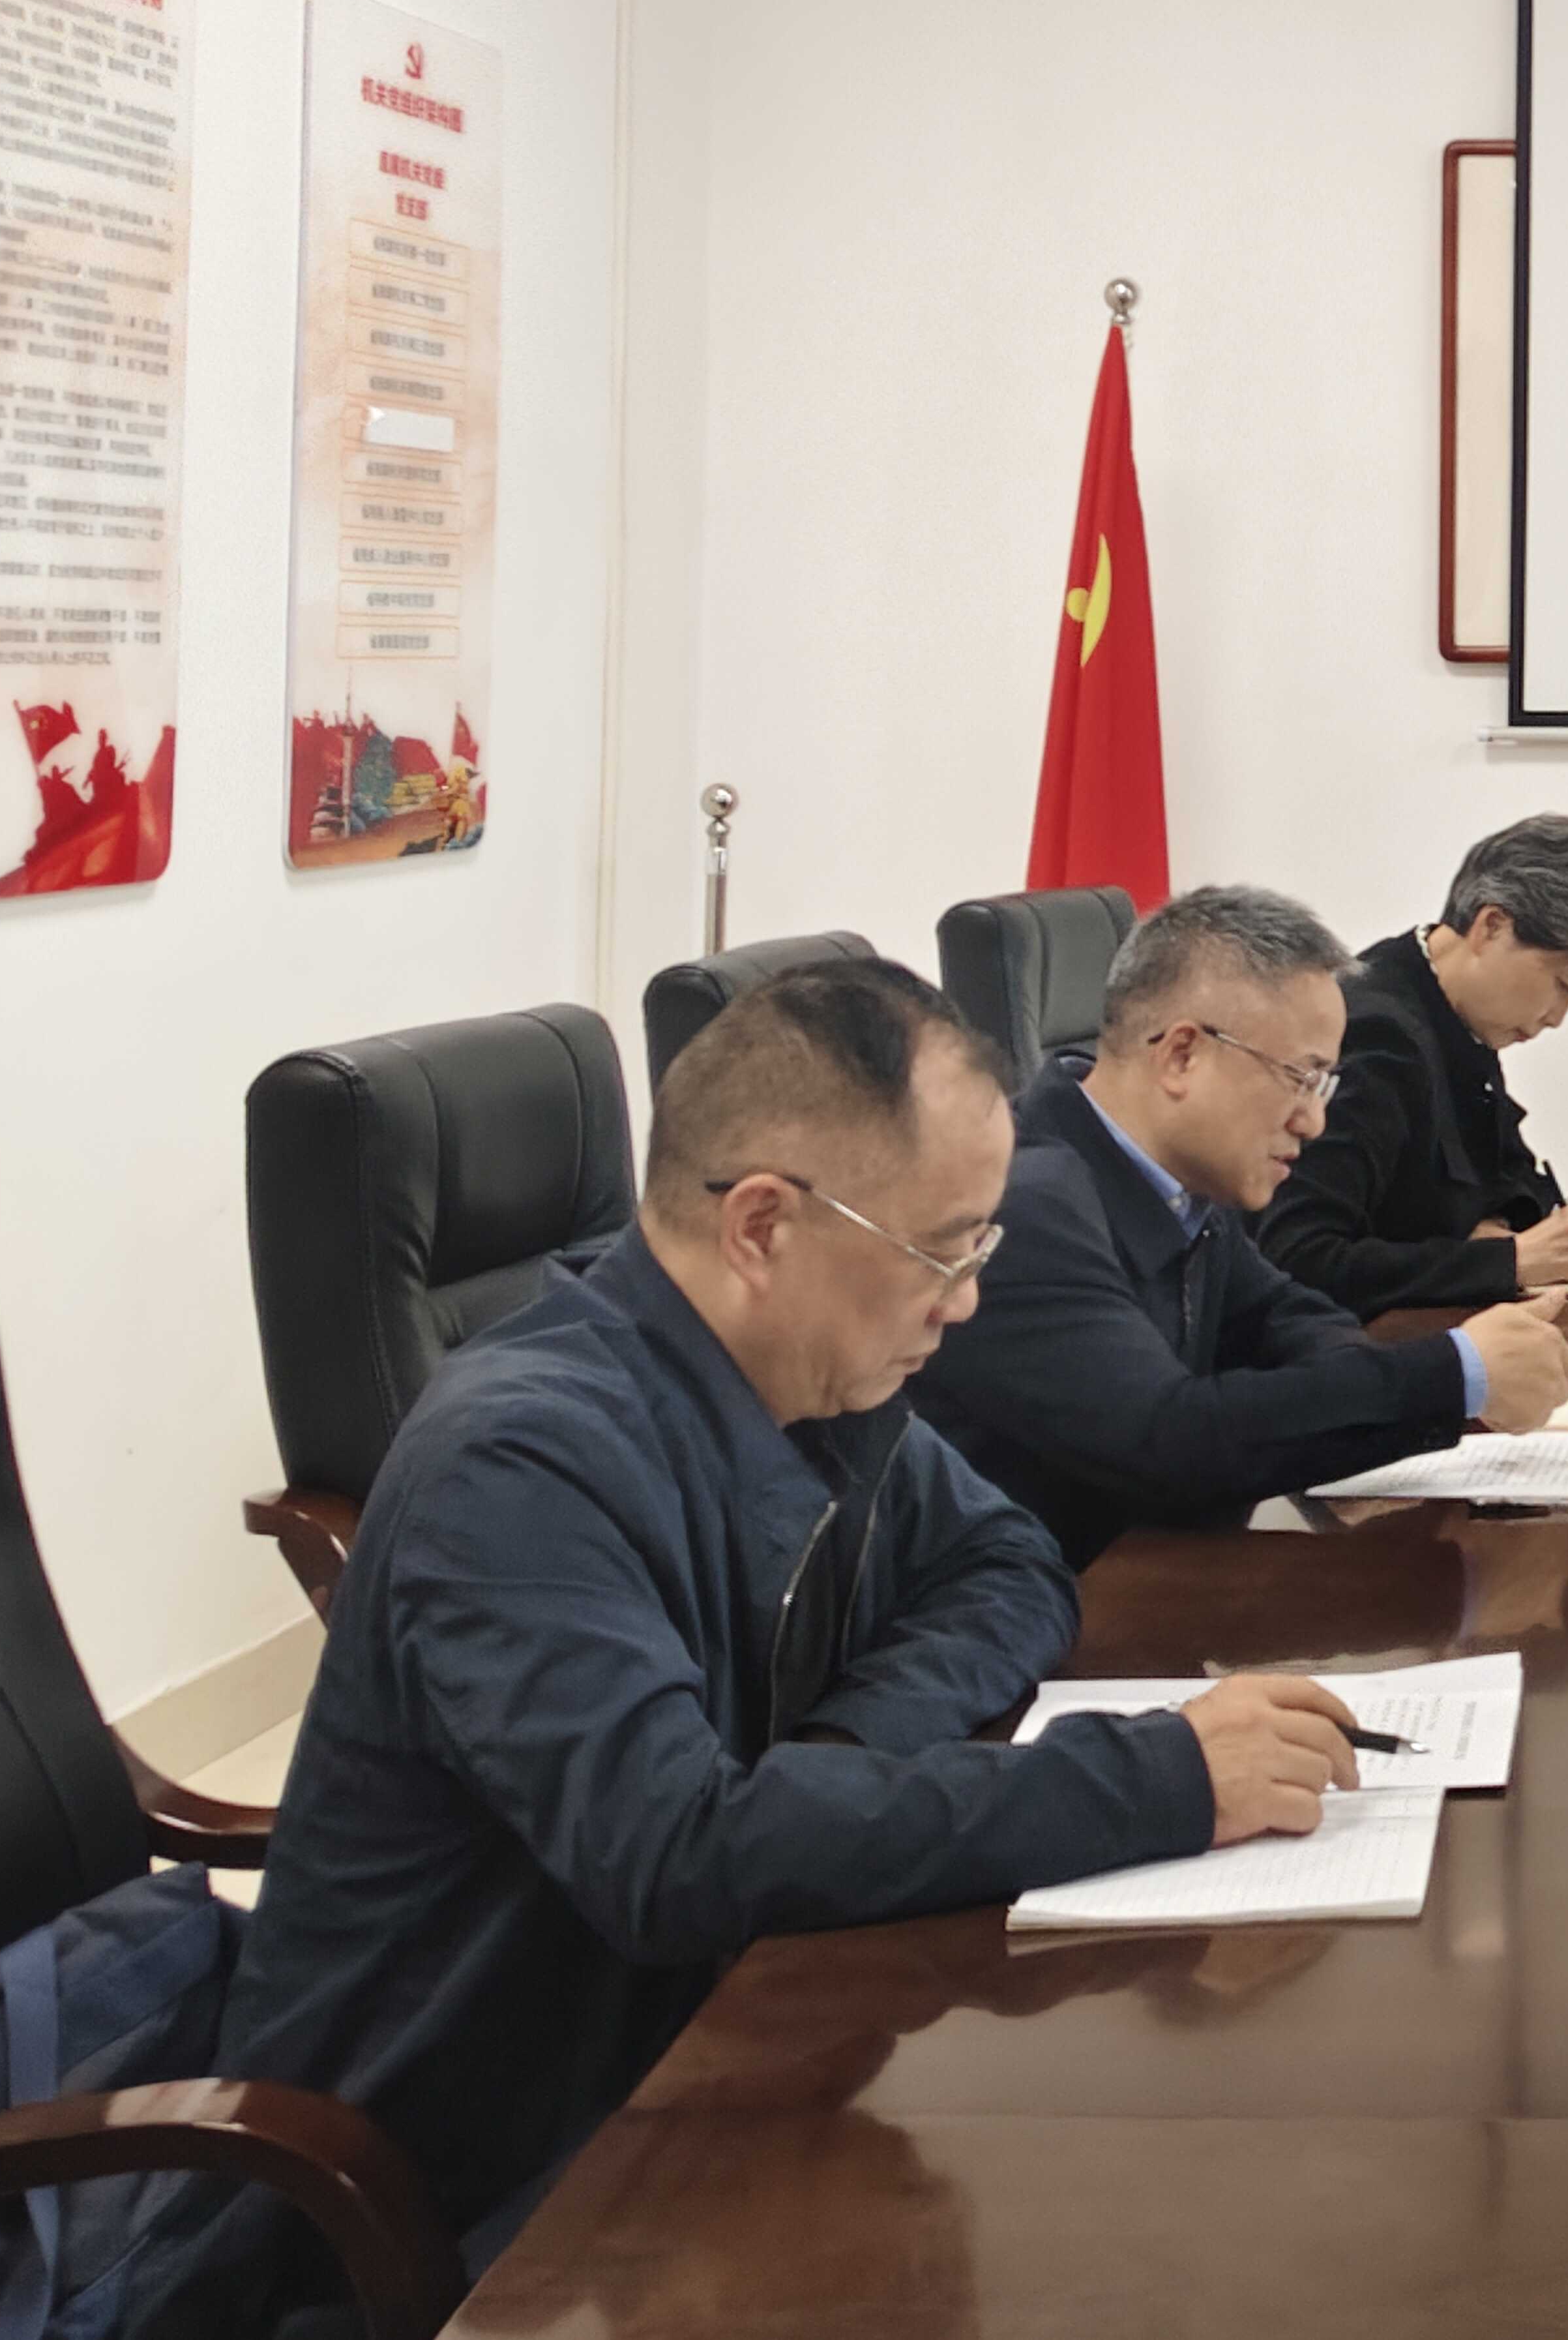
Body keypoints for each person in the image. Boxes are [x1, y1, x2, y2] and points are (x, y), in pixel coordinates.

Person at [128, 963, 1369, 2324]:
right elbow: (677, 1858)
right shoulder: (518, 1459)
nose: (964, 1300)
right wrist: (1161, 1777)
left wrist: (838, 1750)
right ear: (765, 1224)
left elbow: (1011, 1565)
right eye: (946, 1249)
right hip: (464, 2187)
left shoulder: (812, 1372)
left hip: (704, 2042)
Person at [911, 884, 1568, 1562]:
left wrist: (1399, 1385)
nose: (1314, 1121)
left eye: (1324, 1087)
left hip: (1157, 1580)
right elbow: (1170, 1441)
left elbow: (1292, 1319)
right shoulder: (1023, 1207)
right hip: (1051, 1604)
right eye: (1301, 1078)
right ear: (1181, 1055)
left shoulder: (1183, 1181)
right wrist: (1454, 1374)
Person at [1259, 815, 1568, 1319]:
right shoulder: (1376, 1037)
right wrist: (1505, 1261)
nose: (1557, 1017)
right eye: (1562, 984)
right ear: (1492, 927)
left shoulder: (1458, 1019)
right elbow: (1297, 1258)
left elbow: (1510, 1179)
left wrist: (1496, 1226)